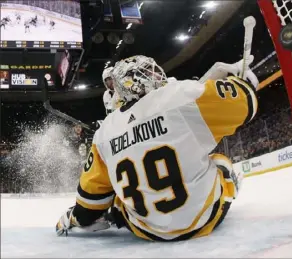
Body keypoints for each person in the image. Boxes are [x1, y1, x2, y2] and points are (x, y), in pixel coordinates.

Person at [56, 55, 259, 241]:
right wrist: (239, 82)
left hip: (146, 230)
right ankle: (230, 185)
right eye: (147, 71)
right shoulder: (180, 95)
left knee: (117, 194)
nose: (156, 73)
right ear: (133, 82)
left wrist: (75, 217)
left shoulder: (104, 133)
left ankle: (113, 216)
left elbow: (91, 198)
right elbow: (246, 103)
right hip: (205, 218)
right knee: (219, 161)